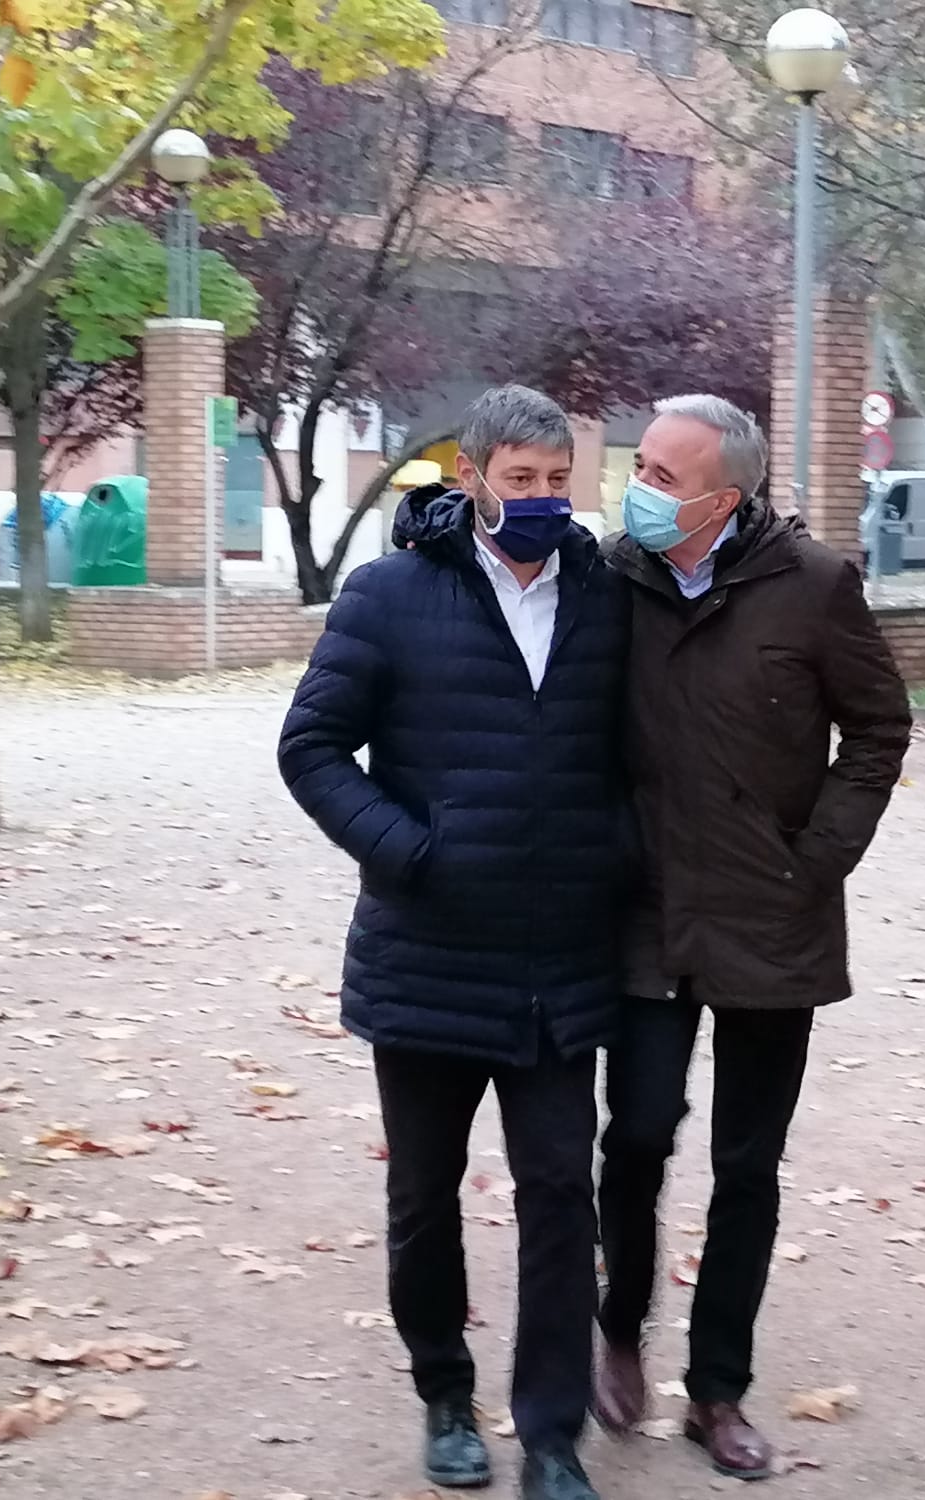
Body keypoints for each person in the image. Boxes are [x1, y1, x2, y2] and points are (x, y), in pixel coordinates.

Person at [278, 385, 628, 1500]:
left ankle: (553, 1436)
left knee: (559, 1195)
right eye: (519, 480)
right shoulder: (388, 595)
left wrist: (613, 851)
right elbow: (312, 748)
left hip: (561, 963)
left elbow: (643, 746)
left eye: (557, 480)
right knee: (424, 1197)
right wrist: (410, 851)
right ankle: (444, 1396)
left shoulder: (605, 594)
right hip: (425, 956)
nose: (542, 499)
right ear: (472, 476)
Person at [592, 394, 912, 1480]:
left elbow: (878, 727)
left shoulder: (812, 586)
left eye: (661, 476)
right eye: (640, 465)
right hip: (645, 910)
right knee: (636, 1135)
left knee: (746, 1165)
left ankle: (717, 1391)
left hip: (772, 915)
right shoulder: (612, 575)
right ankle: (616, 1332)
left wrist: (815, 858)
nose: (638, 488)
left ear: (725, 499)